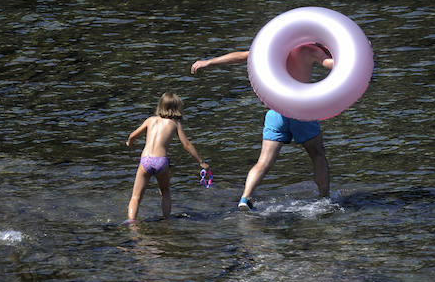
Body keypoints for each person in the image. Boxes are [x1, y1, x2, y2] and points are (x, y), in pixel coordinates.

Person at [190, 43, 333, 211]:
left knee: (263, 161)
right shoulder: (310, 50)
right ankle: (325, 198)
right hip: (300, 111)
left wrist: (209, 62)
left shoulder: (275, 46)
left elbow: (243, 56)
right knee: (317, 155)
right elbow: (330, 64)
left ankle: (245, 198)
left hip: (276, 111)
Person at [126, 93, 209, 221]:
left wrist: (130, 143)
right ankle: (166, 220)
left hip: (146, 160)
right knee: (165, 192)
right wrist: (201, 161)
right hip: (161, 161)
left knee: (136, 197)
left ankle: (131, 223)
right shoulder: (175, 123)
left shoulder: (150, 120)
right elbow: (186, 145)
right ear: (177, 108)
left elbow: (132, 135)